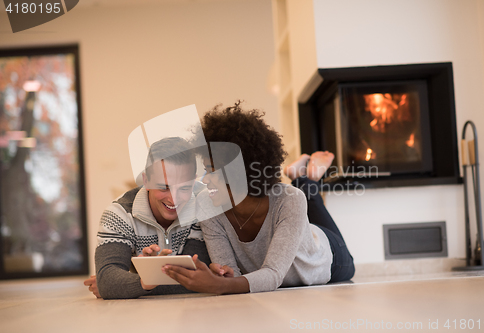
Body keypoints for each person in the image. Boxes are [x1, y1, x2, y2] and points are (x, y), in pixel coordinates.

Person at [162, 102, 355, 294]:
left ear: (239, 172)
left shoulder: (289, 200)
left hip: (325, 256)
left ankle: (306, 179)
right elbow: (231, 275)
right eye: (206, 170)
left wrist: (219, 285)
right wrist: (223, 276)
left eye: (212, 171)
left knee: (303, 197)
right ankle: (302, 177)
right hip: (295, 229)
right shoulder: (207, 203)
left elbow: (273, 274)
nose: (205, 180)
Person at [84, 137, 210, 299]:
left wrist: (137, 282)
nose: (174, 199)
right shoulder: (119, 214)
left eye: (184, 188)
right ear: (146, 181)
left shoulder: (204, 206)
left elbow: (198, 278)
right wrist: (138, 281)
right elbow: (107, 280)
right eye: (164, 188)